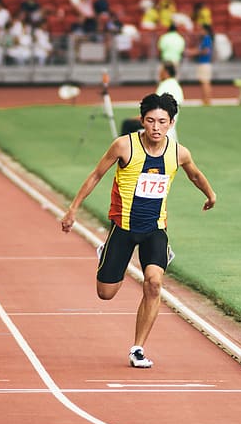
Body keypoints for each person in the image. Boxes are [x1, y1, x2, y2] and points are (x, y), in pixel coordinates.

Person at [60, 93, 217, 369]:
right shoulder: (124, 146)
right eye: (151, 121)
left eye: (162, 122)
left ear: (171, 123)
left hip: (155, 229)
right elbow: (96, 174)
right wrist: (73, 209)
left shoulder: (178, 152)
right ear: (142, 121)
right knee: (105, 293)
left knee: (154, 282)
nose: (156, 127)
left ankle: (138, 348)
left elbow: (194, 173)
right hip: (123, 228)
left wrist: (210, 194)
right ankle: (105, 254)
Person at [155, 61, 184, 141]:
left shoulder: (164, 86)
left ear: (166, 72)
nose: (159, 73)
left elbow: (156, 107)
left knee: (128, 124)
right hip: (171, 125)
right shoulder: (177, 86)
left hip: (159, 124)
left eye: (160, 71)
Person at [187, 24, 213, 106]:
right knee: (204, 82)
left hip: (204, 62)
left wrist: (193, 52)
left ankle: (207, 100)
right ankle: (205, 99)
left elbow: (206, 50)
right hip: (204, 63)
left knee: (205, 82)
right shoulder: (205, 39)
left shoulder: (206, 38)